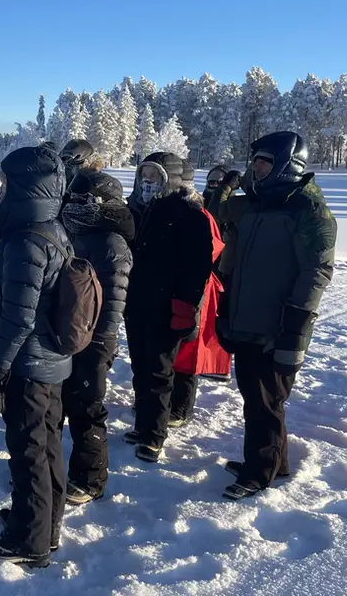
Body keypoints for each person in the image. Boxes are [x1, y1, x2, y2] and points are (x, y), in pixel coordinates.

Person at [217, 131, 337, 500]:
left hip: (276, 323)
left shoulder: (306, 208)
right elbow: (219, 215)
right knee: (254, 395)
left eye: (264, 162)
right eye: (255, 161)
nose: (255, 168)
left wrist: (294, 325)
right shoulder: (256, 202)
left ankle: (260, 472)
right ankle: (271, 461)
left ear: (287, 164)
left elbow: (317, 271)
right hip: (246, 318)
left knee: (266, 400)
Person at [0, 144, 72, 568]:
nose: (0, 191)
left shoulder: (25, 243)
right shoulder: (52, 228)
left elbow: (17, 320)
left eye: (5, 184)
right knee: (47, 445)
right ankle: (43, 524)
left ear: (26, 188)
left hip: (29, 365)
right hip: (50, 363)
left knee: (28, 449)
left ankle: (29, 541)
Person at [123, 152, 214, 463]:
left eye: (154, 176)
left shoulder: (189, 215)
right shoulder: (134, 208)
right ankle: (142, 424)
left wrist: (186, 306)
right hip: (135, 301)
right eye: (143, 175)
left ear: (170, 179)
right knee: (139, 366)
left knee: (159, 371)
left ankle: (154, 434)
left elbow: (198, 268)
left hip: (167, 305)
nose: (147, 182)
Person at [59, 170, 133, 504]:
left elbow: (115, 298)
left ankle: (91, 478)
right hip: (65, 334)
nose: (74, 205)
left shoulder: (111, 244)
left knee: (87, 408)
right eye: (71, 198)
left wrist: (102, 339)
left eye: (83, 200)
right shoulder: (70, 232)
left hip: (95, 340)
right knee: (58, 402)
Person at [168, 161, 231, 425]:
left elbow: (215, 248)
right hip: (173, 286)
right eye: (211, 182)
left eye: (219, 183)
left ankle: (181, 407)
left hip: (199, 287)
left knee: (189, 349)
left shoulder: (202, 214)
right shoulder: (170, 209)